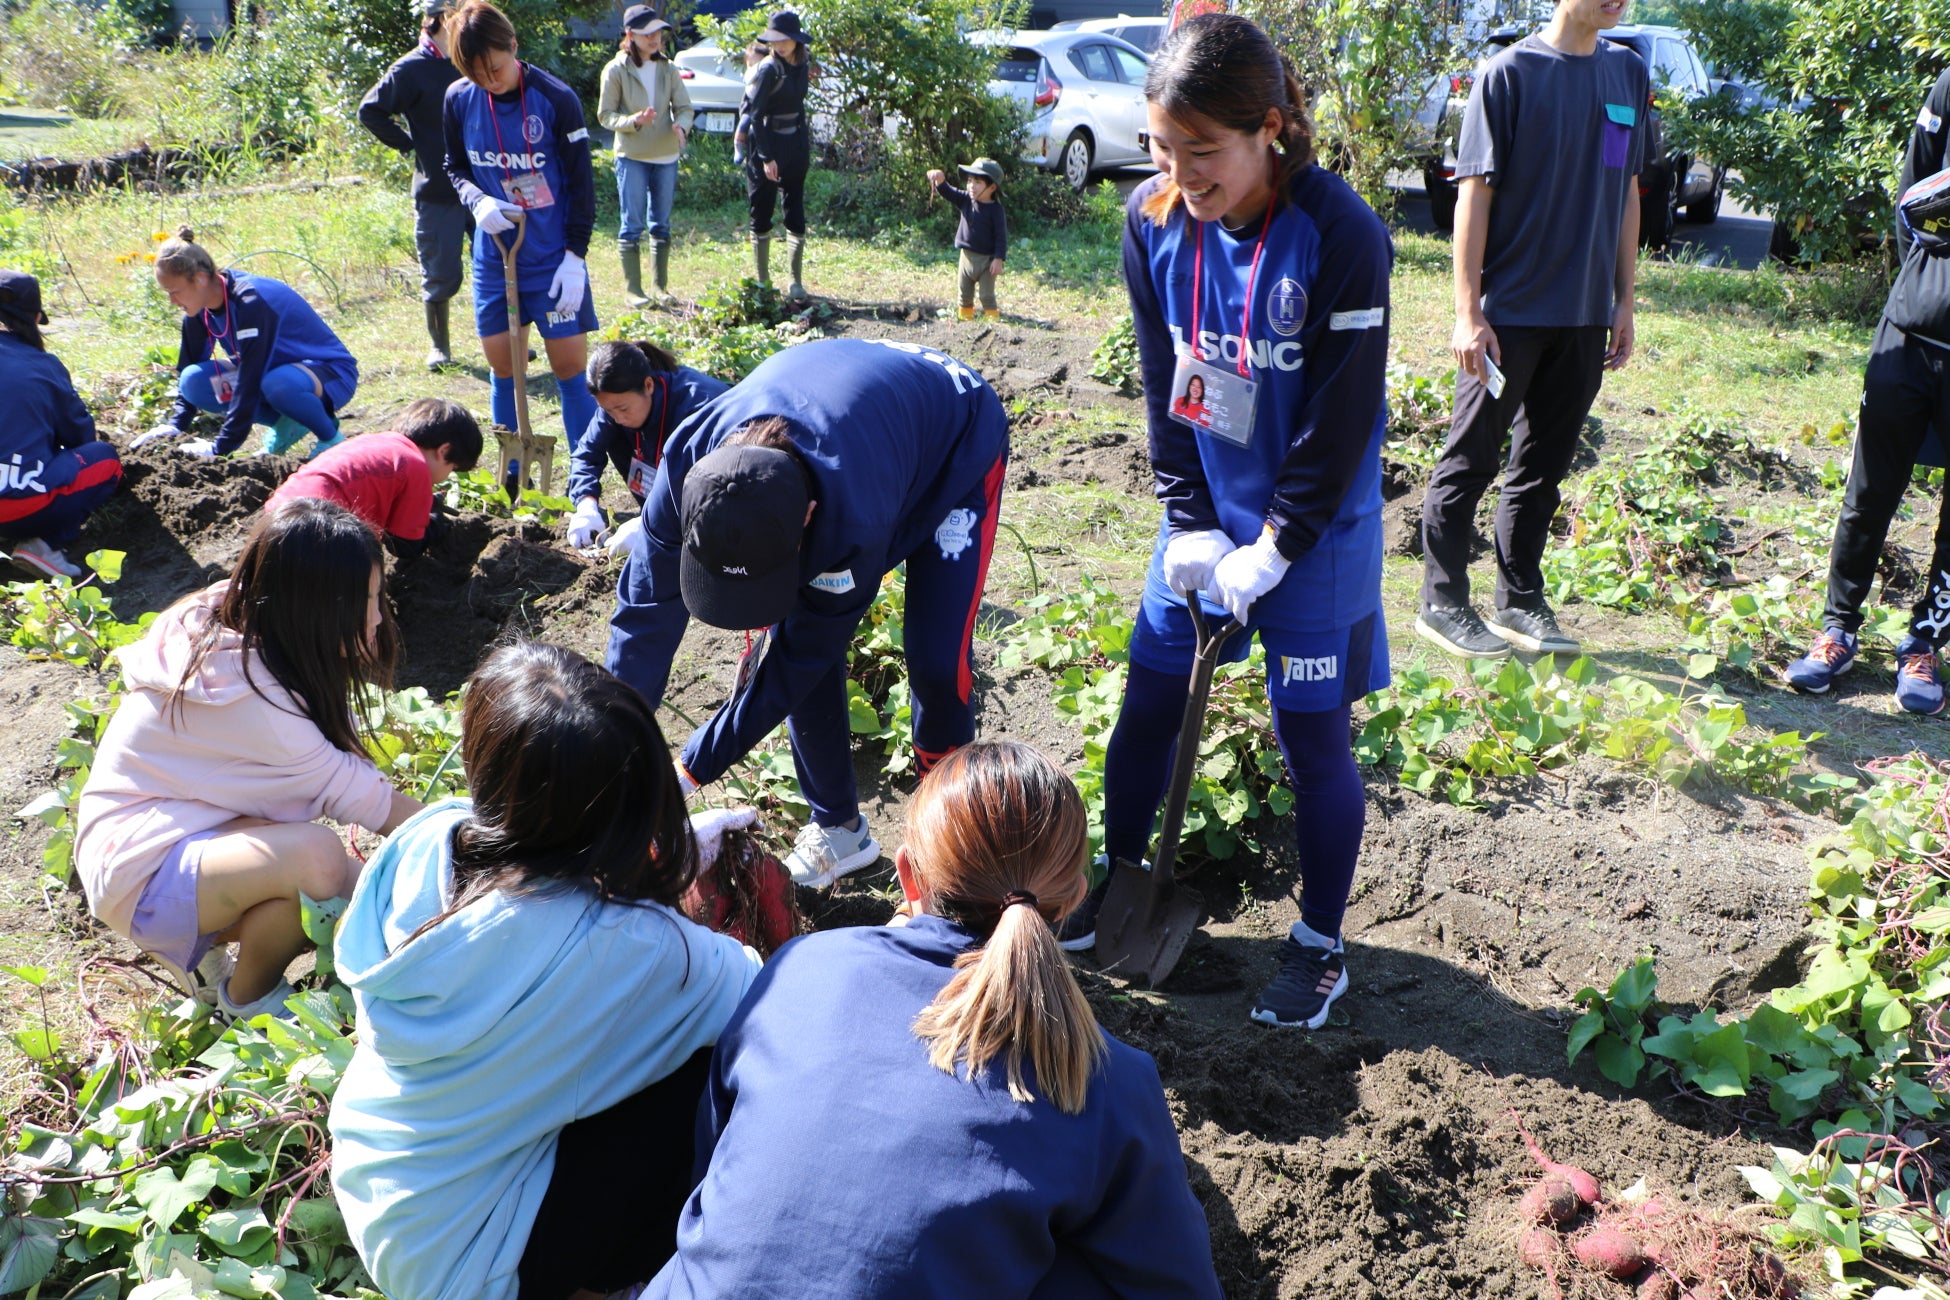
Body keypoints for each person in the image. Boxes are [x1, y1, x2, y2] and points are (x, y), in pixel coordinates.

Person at [641, 742, 1223, 1300]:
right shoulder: (1107, 1079)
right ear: (1074, 897)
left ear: (907, 876)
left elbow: (711, 1164)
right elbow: (1183, 1288)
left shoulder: (799, 966)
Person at [1077, 13, 1393, 1032]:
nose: (1181, 174)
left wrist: (1277, 545)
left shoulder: (1342, 235)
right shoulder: (1152, 221)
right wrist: (1190, 523)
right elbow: (1162, 380)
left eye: (1203, 151)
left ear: (1270, 129)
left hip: (1316, 533)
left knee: (1312, 742)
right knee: (1149, 702)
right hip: (1207, 520)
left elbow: (1342, 417)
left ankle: (1319, 946)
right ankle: (1120, 884)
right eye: (1162, 148)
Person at [330, 641, 763, 1300]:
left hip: (383, 1182)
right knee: (718, 1077)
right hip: (475, 1262)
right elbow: (756, 990)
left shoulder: (427, 842)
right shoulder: (623, 946)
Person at [606, 337, 1009, 888]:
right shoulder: (686, 467)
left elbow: (799, 660)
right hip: (854, 402)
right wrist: (615, 746)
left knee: (937, 661)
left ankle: (952, 841)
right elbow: (644, 610)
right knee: (796, 623)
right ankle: (839, 830)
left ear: (807, 516)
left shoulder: (850, 523)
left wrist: (686, 771)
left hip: (953, 434)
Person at [74, 499, 423, 1019]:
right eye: (366, 600)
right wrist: (472, 843)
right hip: (138, 870)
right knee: (320, 861)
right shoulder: (250, 698)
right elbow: (364, 798)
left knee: (351, 893)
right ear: (316, 607)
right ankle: (246, 1001)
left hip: (176, 836)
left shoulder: (246, 619)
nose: (377, 617)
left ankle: (206, 962)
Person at [1413, 0, 1645, 661]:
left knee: (1543, 468)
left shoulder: (1626, 73)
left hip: (1584, 315)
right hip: (1509, 315)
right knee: (1471, 458)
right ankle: (1441, 601)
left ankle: (1519, 599)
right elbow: (1474, 195)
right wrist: (1468, 311)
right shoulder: (1508, 75)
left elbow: (1626, 190)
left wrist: (1624, 300)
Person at [1784, 69, 1950, 714]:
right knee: (1870, 491)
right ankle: (1838, 630)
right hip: (1910, 331)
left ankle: (1925, 642)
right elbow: (1913, 193)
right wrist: (1927, 275)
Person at [441, 0, 601, 446]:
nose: (489, 81)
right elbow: (455, 166)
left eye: (495, 68)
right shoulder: (459, 99)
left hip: (551, 258)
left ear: (513, 45)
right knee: (504, 366)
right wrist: (476, 201)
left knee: (569, 368)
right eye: (477, 74)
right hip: (496, 257)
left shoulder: (556, 99)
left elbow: (581, 187)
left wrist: (575, 257)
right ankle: (513, 468)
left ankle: (583, 471)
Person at [135, 228, 360, 460]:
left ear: (200, 278)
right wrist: (174, 427)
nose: (172, 301)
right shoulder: (199, 311)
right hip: (271, 376)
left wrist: (220, 447)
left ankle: (330, 439)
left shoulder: (250, 301)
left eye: (174, 291)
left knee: (278, 384)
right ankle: (290, 423)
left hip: (329, 374)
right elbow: (190, 366)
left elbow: (251, 376)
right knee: (193, 381)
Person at [358, 0, 470, 370]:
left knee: (502, 267)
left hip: (484, 183)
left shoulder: (470, 59)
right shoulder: (410, 68)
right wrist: (410, 144)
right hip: (438, 189)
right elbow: (370, 111)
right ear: (439, 21)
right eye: (457, 19)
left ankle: (506, 340)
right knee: (440, 272)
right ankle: (440, 348)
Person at [0, 269, 122, 580]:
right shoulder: (43, 366)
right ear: (35, 317)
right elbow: (80, 436)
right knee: (106, 460)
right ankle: (46, 544)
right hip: (17, 504)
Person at [265, 398, 482, 559]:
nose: (445, 476)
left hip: (274, 518)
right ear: (444, 451)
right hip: (319, 530)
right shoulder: (415, 465)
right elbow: (405, 546)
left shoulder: (372, 442)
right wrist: (433, 522)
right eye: (452, 468)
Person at [564, 340, 727, 550]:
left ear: (648, 385)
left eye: (623, 409)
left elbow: (710, 486)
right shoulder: (616, 406)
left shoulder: (698, 408)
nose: (618, 418)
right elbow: (587, 452)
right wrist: (586, 504)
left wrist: (652, 523)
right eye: (608, 411)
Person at [598, 4, 693, 309]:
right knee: (632, 223)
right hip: (632, 156)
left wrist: (681, 126)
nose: (655, 39)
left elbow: (684, 108)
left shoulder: (668, 68)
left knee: (661, 224)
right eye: (647, 33)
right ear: (630, 35)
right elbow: (605, 115)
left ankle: (660, 288)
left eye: (658, 33)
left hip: (666, 156)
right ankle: (633, 290)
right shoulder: (616, 69)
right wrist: (634, 120)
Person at [744, 10, 813, 300]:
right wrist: (766, 157)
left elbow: (799, 105)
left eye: (785, 39)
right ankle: (763, 283)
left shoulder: (803, 63)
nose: (780, 45)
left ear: (796, 40)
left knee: (794, 208)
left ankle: (795, 282)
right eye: (775, 40)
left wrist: (800, 147)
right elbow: (755, 115)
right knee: (762, 209)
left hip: (795, 141)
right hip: (766, 142)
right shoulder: (768, 69)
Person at [926, 157, 1008, 322]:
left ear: (992, 187)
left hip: (987, 262)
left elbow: (1001, 237)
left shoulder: (996, 210)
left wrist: (998, 259)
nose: (971, 186)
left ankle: (994, 323)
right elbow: (948, 192)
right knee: (964, 294)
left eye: (977, 182)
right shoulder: (965, 200)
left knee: (986, 295)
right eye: (969, 181)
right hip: (966, 258)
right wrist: (940, 178)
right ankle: (965, 322)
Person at [731, 39, 767, 167]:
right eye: (750, 64)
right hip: (750, 105)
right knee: (743, 124)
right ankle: (738, 147)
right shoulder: (750, 75)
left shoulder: (766, 71)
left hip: (762, 106)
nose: (753, 67)